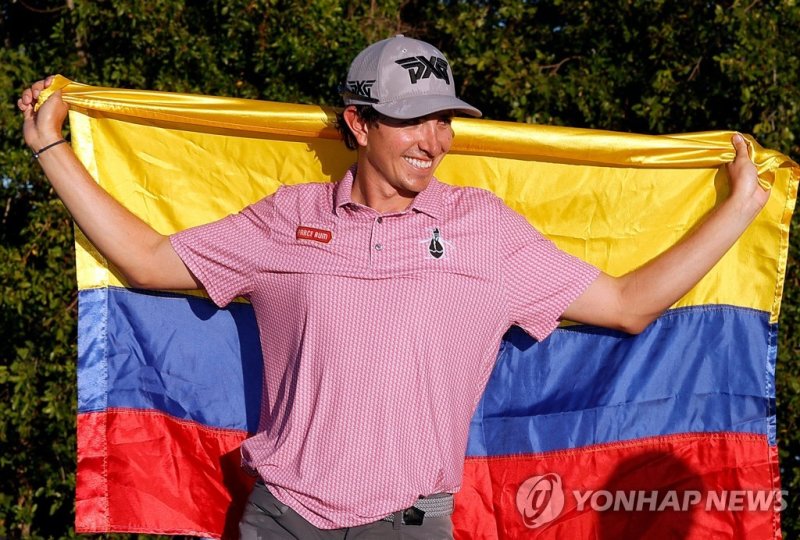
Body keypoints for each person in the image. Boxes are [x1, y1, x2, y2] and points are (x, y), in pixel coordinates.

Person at [19, 35, 768, 539]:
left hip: (411, 524)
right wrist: (51, 150)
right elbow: (149, 261)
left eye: (444, 118)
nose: (434, 140)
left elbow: (628, 306)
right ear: (358, 122)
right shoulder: (290, 217)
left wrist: (739, 210)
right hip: (282, 520)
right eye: (412, 120)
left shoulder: (485, 228)